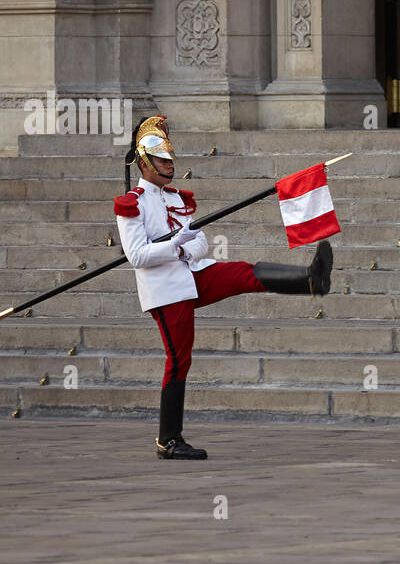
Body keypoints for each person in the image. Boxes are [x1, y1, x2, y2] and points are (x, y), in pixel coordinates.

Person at [115, 115, 333, 460]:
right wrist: (176, 246)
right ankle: (168, 440)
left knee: (242, 272)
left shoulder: (175, 199)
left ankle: (310, 279)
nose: (168, 165)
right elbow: (137, 256)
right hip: (166, 290)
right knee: (178, 359)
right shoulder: (132, 204)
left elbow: (200, 243)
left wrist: (185, 244)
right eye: (161, 159)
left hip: (194, 273)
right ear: (144, 161)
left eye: (170, 159)